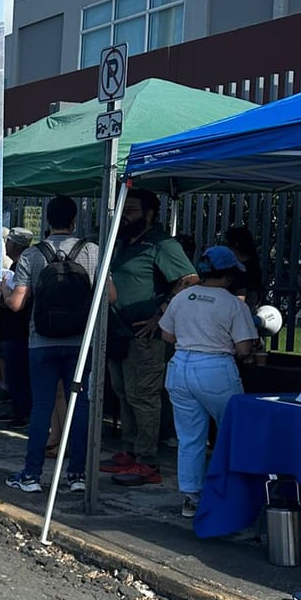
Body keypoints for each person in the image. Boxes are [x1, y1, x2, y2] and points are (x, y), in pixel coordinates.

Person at [0, 195, 98, 493]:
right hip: (80, 343)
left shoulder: (32, 255)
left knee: (42, 406)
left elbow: (17, 304)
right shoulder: (92, 251)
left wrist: (4, 293)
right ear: (73, 221)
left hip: (40, 342)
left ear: (47, 222)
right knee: (79, 406)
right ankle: (77, 476)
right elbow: (111, 297)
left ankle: (31, 475)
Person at [101, 188, 198, 486]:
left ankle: (147, 461)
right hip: (118, 333)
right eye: (123, 210)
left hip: (144, 336)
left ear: (149, 214)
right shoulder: (121, 242)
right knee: (123, 392)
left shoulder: (161, 244)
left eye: (131, 210)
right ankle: (130, 450)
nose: (125, 216)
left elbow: (190, 280)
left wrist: (162, 313)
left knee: (143, 397)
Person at [160, 245, 257, 518]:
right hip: (216, 369)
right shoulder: (232, 304)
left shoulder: (182, 297)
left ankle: (191, 498)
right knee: (232, 433)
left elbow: (167, 335)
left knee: (190, 438)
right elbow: (244, 349)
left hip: (180, 368)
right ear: (227, 275)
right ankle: (230, 493)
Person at [0, 228, 33, 427]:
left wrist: (3, 290)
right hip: (13, 328)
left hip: (18, 329)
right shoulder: (17, 265)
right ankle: (17, 409)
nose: (6, 245)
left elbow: (19, 302)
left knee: (18, 371)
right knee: (13, 370)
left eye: (9, 242)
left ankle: (22, 411)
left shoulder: (22, 267)